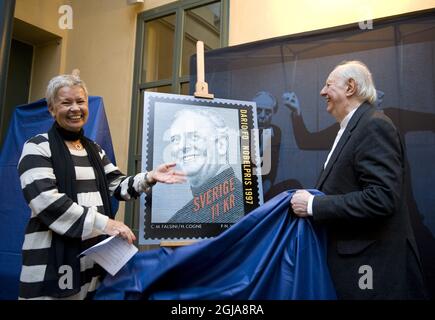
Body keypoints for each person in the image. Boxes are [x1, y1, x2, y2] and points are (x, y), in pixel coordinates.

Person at [17, 74, 186, 300]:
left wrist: (150, 177)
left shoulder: (94, 149)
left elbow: (116, 185)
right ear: (51, 109)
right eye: (66, 103)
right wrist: (106, 224)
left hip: (92, 264)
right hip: (49, 265)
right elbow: (48, 202)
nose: (75, 108)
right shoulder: (37, 147)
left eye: (80, 101)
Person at [290, 60, 427, 299]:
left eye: (328, 85)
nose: (322, 92)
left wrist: (313, 205)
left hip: (372, 272)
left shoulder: (373, 125)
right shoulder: (353, 126)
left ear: (350, 87)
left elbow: (381, 198)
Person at [167, 108, 244, 223]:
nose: (182, 146)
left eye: (194, 137)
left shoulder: (244, 208)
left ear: (221, 145)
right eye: (175, 140)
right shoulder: (179, 219)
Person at [252, 91, 282, 196]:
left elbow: (272, 168)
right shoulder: (243, 130)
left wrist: (263, 194)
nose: (262, 116)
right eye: (258, 110)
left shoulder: (275, 131)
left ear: (273, 113)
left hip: (263, 190)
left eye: (268, 112)